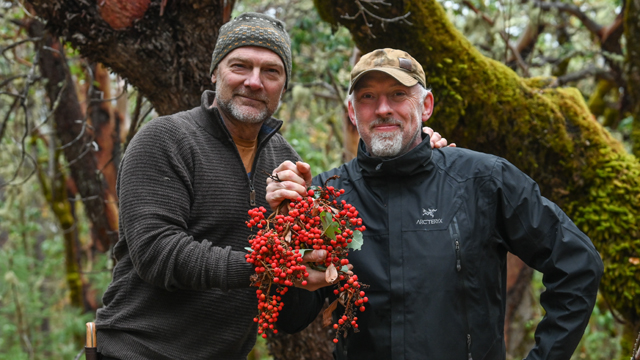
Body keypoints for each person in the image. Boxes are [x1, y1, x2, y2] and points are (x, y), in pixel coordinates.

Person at [94, 12, 450, 360]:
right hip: (134, 351)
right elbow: (158, 254)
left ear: (284, 85)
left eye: (271, 72)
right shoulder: (165, 140)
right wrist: (269, 264)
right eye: (240, 66)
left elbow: (290, 317)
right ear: (215, 71)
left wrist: (420, 150)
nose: (254, 81)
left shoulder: (285, 161)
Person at [266, 48, 604, 360]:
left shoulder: (483, 180)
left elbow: (577, 264)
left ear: (425, 105)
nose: (383, 108)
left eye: (398, 94)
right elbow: (291, 318)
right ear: (352, 112)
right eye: (368, 97)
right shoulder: (328, 197)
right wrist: (283, 229)